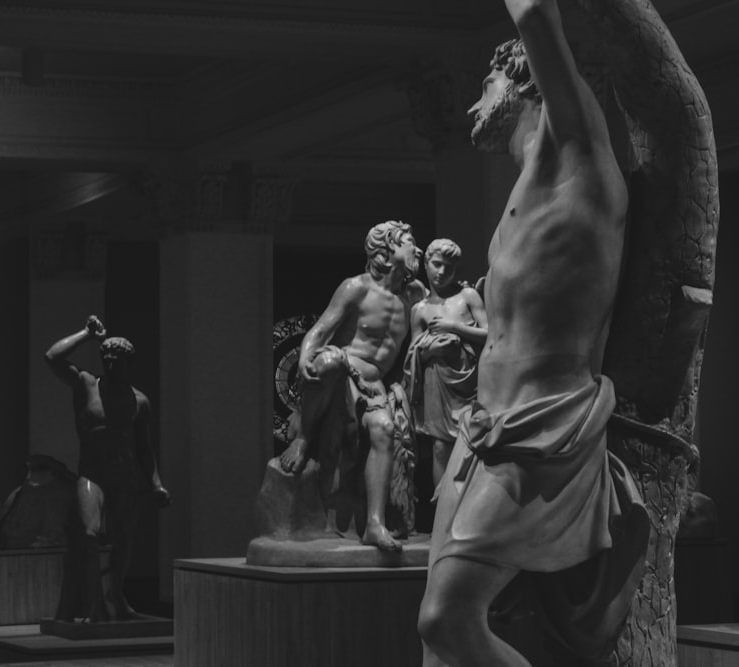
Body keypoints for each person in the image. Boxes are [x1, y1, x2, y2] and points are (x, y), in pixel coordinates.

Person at [416, 1, 649, 665]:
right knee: (435, 634)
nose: (469, 110)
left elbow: (536, 16)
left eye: (483, 88)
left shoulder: (578, 156)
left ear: (526, 82)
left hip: (543, 430)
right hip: (481, 431)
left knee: (446, 618)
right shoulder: (520, 194)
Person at [278, 220, 425, 552]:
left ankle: (374, 524)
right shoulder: (356, 288)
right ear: (387, 250)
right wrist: (304, 359)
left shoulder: (413, 295)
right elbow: (321, 330)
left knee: (385, 428)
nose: (417, 248)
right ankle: (304, 438)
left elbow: (441, 307)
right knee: (328, 362)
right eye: (409, 242)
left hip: (374, 384)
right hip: (343, 373)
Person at [45, 316, 170, 622]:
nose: (111, 364)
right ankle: (92, 603)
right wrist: (87, 335)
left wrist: (156, 484)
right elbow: (53, 356)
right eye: (106, 359)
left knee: (124, 541)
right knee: (89, 534)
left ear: (129, 363)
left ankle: (116, 595)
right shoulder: (86, 385)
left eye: (117, 360)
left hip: (125, 478)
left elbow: (144, 448)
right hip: (92, 475)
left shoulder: (139, 402)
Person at [404, 239, 487, 491]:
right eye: (437, 264)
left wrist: (454, 328)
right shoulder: (419, 309)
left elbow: (490, 332)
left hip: (468, 381)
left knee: (470, 443)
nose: (441, 272)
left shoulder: (467, 296)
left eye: (448, 268)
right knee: (440, 447)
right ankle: (442, 520)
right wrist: (431, 350)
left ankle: (465, 517)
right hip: (436, 383)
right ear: (426, 265)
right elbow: (413, 354)